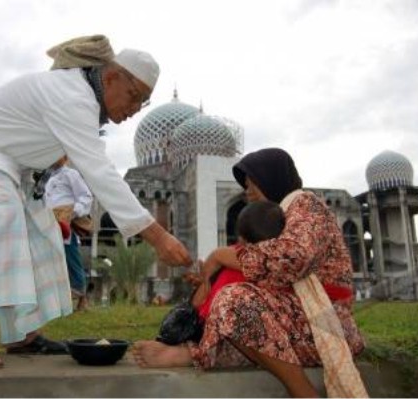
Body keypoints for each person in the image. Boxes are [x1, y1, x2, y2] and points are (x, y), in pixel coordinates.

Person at [0, 35, 192, 370]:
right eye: (133, 97)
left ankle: (21, 334)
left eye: (141, 103)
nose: (133, 109)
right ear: (111, 77)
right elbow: (100, 172)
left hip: (13, 166)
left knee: (42, 238)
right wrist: (158, 236)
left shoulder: (83, 98)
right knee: (0, 216)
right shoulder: (73, 95)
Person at [134, 148, 367, 398]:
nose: (248, 191)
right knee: (236, 316)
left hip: (327, 325)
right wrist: (210, 276)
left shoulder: (307, 206)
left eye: (251, 182)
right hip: (296, 320)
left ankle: (304, 393)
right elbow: (264, 266)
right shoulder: (282, 216)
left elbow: (291, 259)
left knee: (235, 303)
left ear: (271, 177)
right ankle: (189, 353)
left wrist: (219, 256)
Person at [191, 200, 285, 321]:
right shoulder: (286, 273)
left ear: (242, 239)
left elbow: (199, 309)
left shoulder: (231, 272)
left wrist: (204, 282)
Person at [43, 155, 93, 311]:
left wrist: (73, 212)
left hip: (65, 221)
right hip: (47, 220)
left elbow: (85, 196)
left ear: (64, 157)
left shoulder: (71, 174)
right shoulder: (45, 177)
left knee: (70, 258)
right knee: (49, 259)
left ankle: (81, 295)